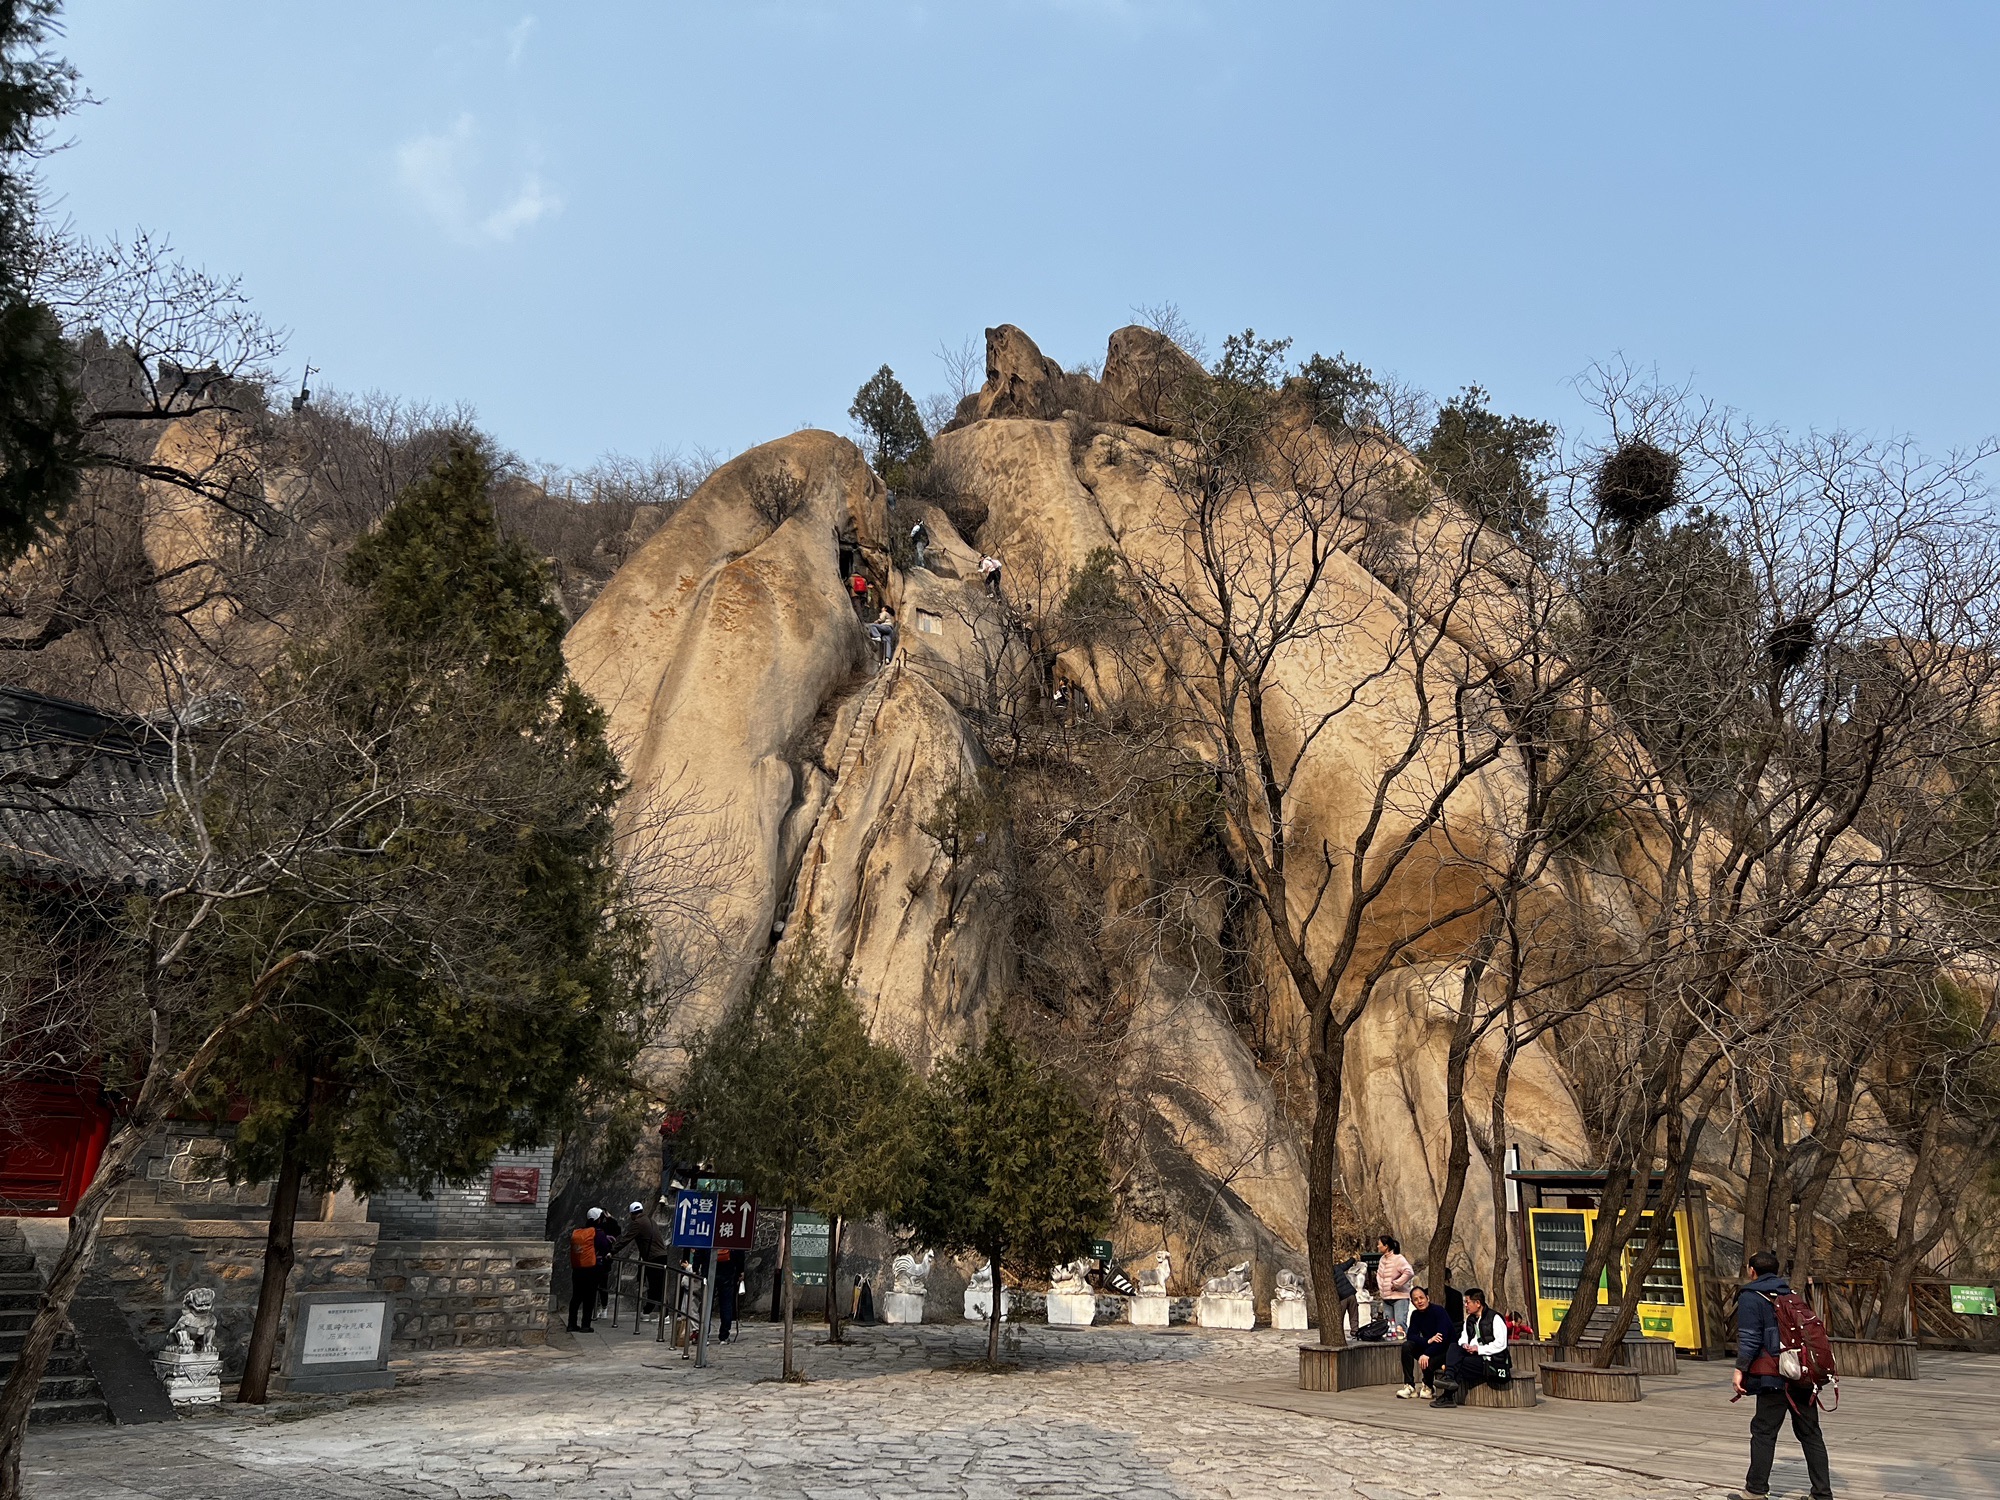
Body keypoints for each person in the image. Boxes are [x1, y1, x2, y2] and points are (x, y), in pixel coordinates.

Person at [1733, 1250, 1834, 1500]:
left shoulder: (1750, 1296)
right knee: (1811, 1434)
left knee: (1764, 1431)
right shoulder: (1789, 1294)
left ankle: (1756, 1492)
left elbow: (1750, 1337)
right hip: (1802, 1373)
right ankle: (1821, 1494)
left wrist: (1740, 1369)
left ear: (1752, 1270)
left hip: (1773, 1376)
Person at [1432, 1287, 1509, 1407]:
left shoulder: (1495, 1318)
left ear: (1477, 1303)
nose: (1465, 1306)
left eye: (1467, 1302)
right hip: (1475, 1356)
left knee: (1461, 1363)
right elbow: (1463, 1338)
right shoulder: (1470, 1320)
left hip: (1491, 1360)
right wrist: (1465, 1345)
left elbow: (1501, 1344)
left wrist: (1479, 1349)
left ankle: (1448, 1395)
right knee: (1454, 1347)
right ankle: (1449, 1377)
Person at [1395, 1285, 1454, 1398]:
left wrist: (1427, 1353)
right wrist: (1428, 1341)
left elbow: (1443, 1339)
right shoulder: (1415, 1315)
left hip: (1445, 1349)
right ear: (1412, 1303)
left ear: (1427, 1298)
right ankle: (1409, 1386)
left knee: (1428, 1360)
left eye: (1421, 1298)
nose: (1419, 1301)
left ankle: (1428, 1385)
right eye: (1416, 1299)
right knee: (1407, 1346)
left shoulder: (1439, 1311)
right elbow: (1411, 1336)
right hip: (1430, 1346)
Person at [613, 1198, 670, 1313]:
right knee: (658, 1285)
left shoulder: (638, 1223)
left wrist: (612, 1250)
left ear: (632, 1213)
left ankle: (662, 1313)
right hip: (661, 1255)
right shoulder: (651, 1221)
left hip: (653, 1258)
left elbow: (626, 1239)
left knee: (656, 1286)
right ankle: (649, 1310)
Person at [566, 1207, 613, 1333]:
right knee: (589, 1297)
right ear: (598, 1219)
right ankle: (585, 1325)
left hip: (577, 1269)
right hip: (592, 1269)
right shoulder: (597, 1232)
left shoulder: (578, 1232)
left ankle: (571, 1324)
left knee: (576, 1297)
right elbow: (604, 1248)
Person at [1375, 1235, 1414, 1334]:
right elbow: (1379, 1275)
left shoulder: (1398, 1258)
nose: (1378, 1246)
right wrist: (1382, 1288)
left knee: (1400, 1324)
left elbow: (1409, 1272)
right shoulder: (1382, 1259)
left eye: (1379, 1244)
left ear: (1386, 1246)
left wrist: (1397, 1284)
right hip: (1386, 1298)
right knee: (1388, 1326)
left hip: (1399, 1297)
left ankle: (1404, 1346)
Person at [1330, 1245, 1364, 1343]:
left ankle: (1337, 1334)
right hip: (1351, 1294)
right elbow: (1346, 1264)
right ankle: (1355, 1332)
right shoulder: (1337, 1268)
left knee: (1339, 1316)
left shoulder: (1327, 1275)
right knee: (1354, 1315)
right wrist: (1353, 1259)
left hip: (1342, 1298)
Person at [713, 1245, 741, 1342]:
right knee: (726, 1304)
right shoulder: (733, 1235)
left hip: (711, 1269)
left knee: (706, 1303)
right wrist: (740, 1270)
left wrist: (696, 1266)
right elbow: (740, 1251)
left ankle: (704, 1333)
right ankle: (724, 1336)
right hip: (728, 1271)